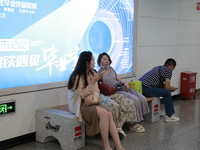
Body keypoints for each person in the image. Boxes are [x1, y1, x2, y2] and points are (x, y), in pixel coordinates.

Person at [67, 51, 125, 150]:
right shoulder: (76, 76)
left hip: (92, 101)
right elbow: (81, 94)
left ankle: (118, 145)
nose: (94, 63)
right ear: (86, 63)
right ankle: (106, 145)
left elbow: (97, 90)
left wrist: (92, 95)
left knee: (109, 113)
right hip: (80, 104)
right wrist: (93, 83)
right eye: (93, 60)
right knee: (104, 113)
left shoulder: (93, 73)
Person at [97, 52, 150, 133]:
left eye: (108, 59)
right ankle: (133, 123)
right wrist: (101, 71)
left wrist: (125, 82)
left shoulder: (111, 69)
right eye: (104, 59)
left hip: (121, 86)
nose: (107, 61)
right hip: (115, 90)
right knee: (134, 99)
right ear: (99, 61)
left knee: (142, 98)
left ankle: (139, 119)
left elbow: (119, 79)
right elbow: (100, 84)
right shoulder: (99, 72)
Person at [139, 58, 180, 122]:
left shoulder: (158, 68)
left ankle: (156, 111)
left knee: (161, 90)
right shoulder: (168, 70)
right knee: (167, 92)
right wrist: (172, 88)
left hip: (139, 87)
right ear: (172, 66)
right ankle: (169, 116)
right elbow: (167, 87)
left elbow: (159, 84)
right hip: (146, 89)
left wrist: (168, 87)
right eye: (173, 68)